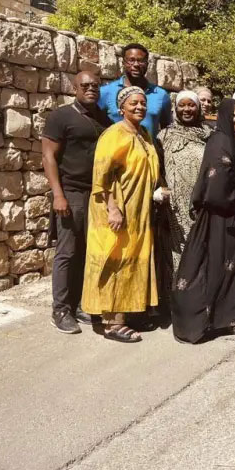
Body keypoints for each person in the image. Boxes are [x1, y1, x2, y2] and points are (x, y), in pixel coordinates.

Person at [171, 99, 235, 343]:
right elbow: (219, 180)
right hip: (223, 219)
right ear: (224, 116)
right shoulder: (219, 141)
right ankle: (232, 319)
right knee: (225, 267)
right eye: (234, 115)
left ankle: (231, 314)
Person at [82, 86, 163, 343]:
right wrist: (112, 208)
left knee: (132, 259)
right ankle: (111, 322)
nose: (139, 107)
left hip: (139, 210)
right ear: (121, 108)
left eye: (142, 103)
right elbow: (101, 177)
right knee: (114, 259)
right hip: (116, 208)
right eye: (133, 103)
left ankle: (128, 312)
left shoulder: (144, 134)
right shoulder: (113, 135)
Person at [42, 71, 112, 334]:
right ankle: (60, 309)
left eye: (95, 85)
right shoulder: (61, 116)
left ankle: (81, 304)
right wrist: (58, 194)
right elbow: (48, 156)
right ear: (75, 88)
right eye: (85, 86)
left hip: (95, 193)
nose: (91, 89)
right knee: (67, 252)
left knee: (88, 250)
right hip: (70, 191)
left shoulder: (102, 118)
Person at [157, 90, 210, 273]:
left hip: (203, 204)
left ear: (199, 108)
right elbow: (158, 170)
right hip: (175, 208)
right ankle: (176, 298)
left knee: (203, 249)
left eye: (191, 105)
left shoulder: (209, 135)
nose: (187, 109)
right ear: (175, 109)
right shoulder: (164, 136)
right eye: (182, 105)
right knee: (178, 253)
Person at [98, 43, 172, 138]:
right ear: (123, 63)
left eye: (141, 61)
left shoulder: (161, 95)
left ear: (147, 64)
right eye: (131, 60)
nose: (136, 64)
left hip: (148, 151)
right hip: (116, 151)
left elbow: (167, 131)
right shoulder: (106, 92)